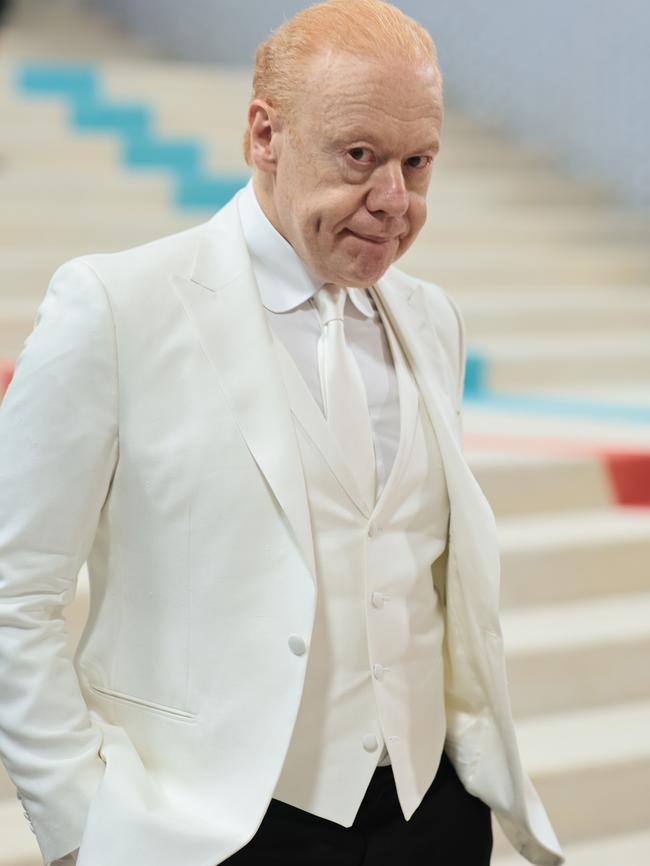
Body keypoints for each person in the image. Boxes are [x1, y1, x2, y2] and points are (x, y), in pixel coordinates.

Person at [0, 2, 564, 865]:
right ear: (265, 135)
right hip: (217, 828)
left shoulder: (433, 319)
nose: (393, 201)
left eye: (418, 163)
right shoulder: (116, 307)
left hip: (432, 816)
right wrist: (83, 829)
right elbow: (15, 595)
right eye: (360, 157)